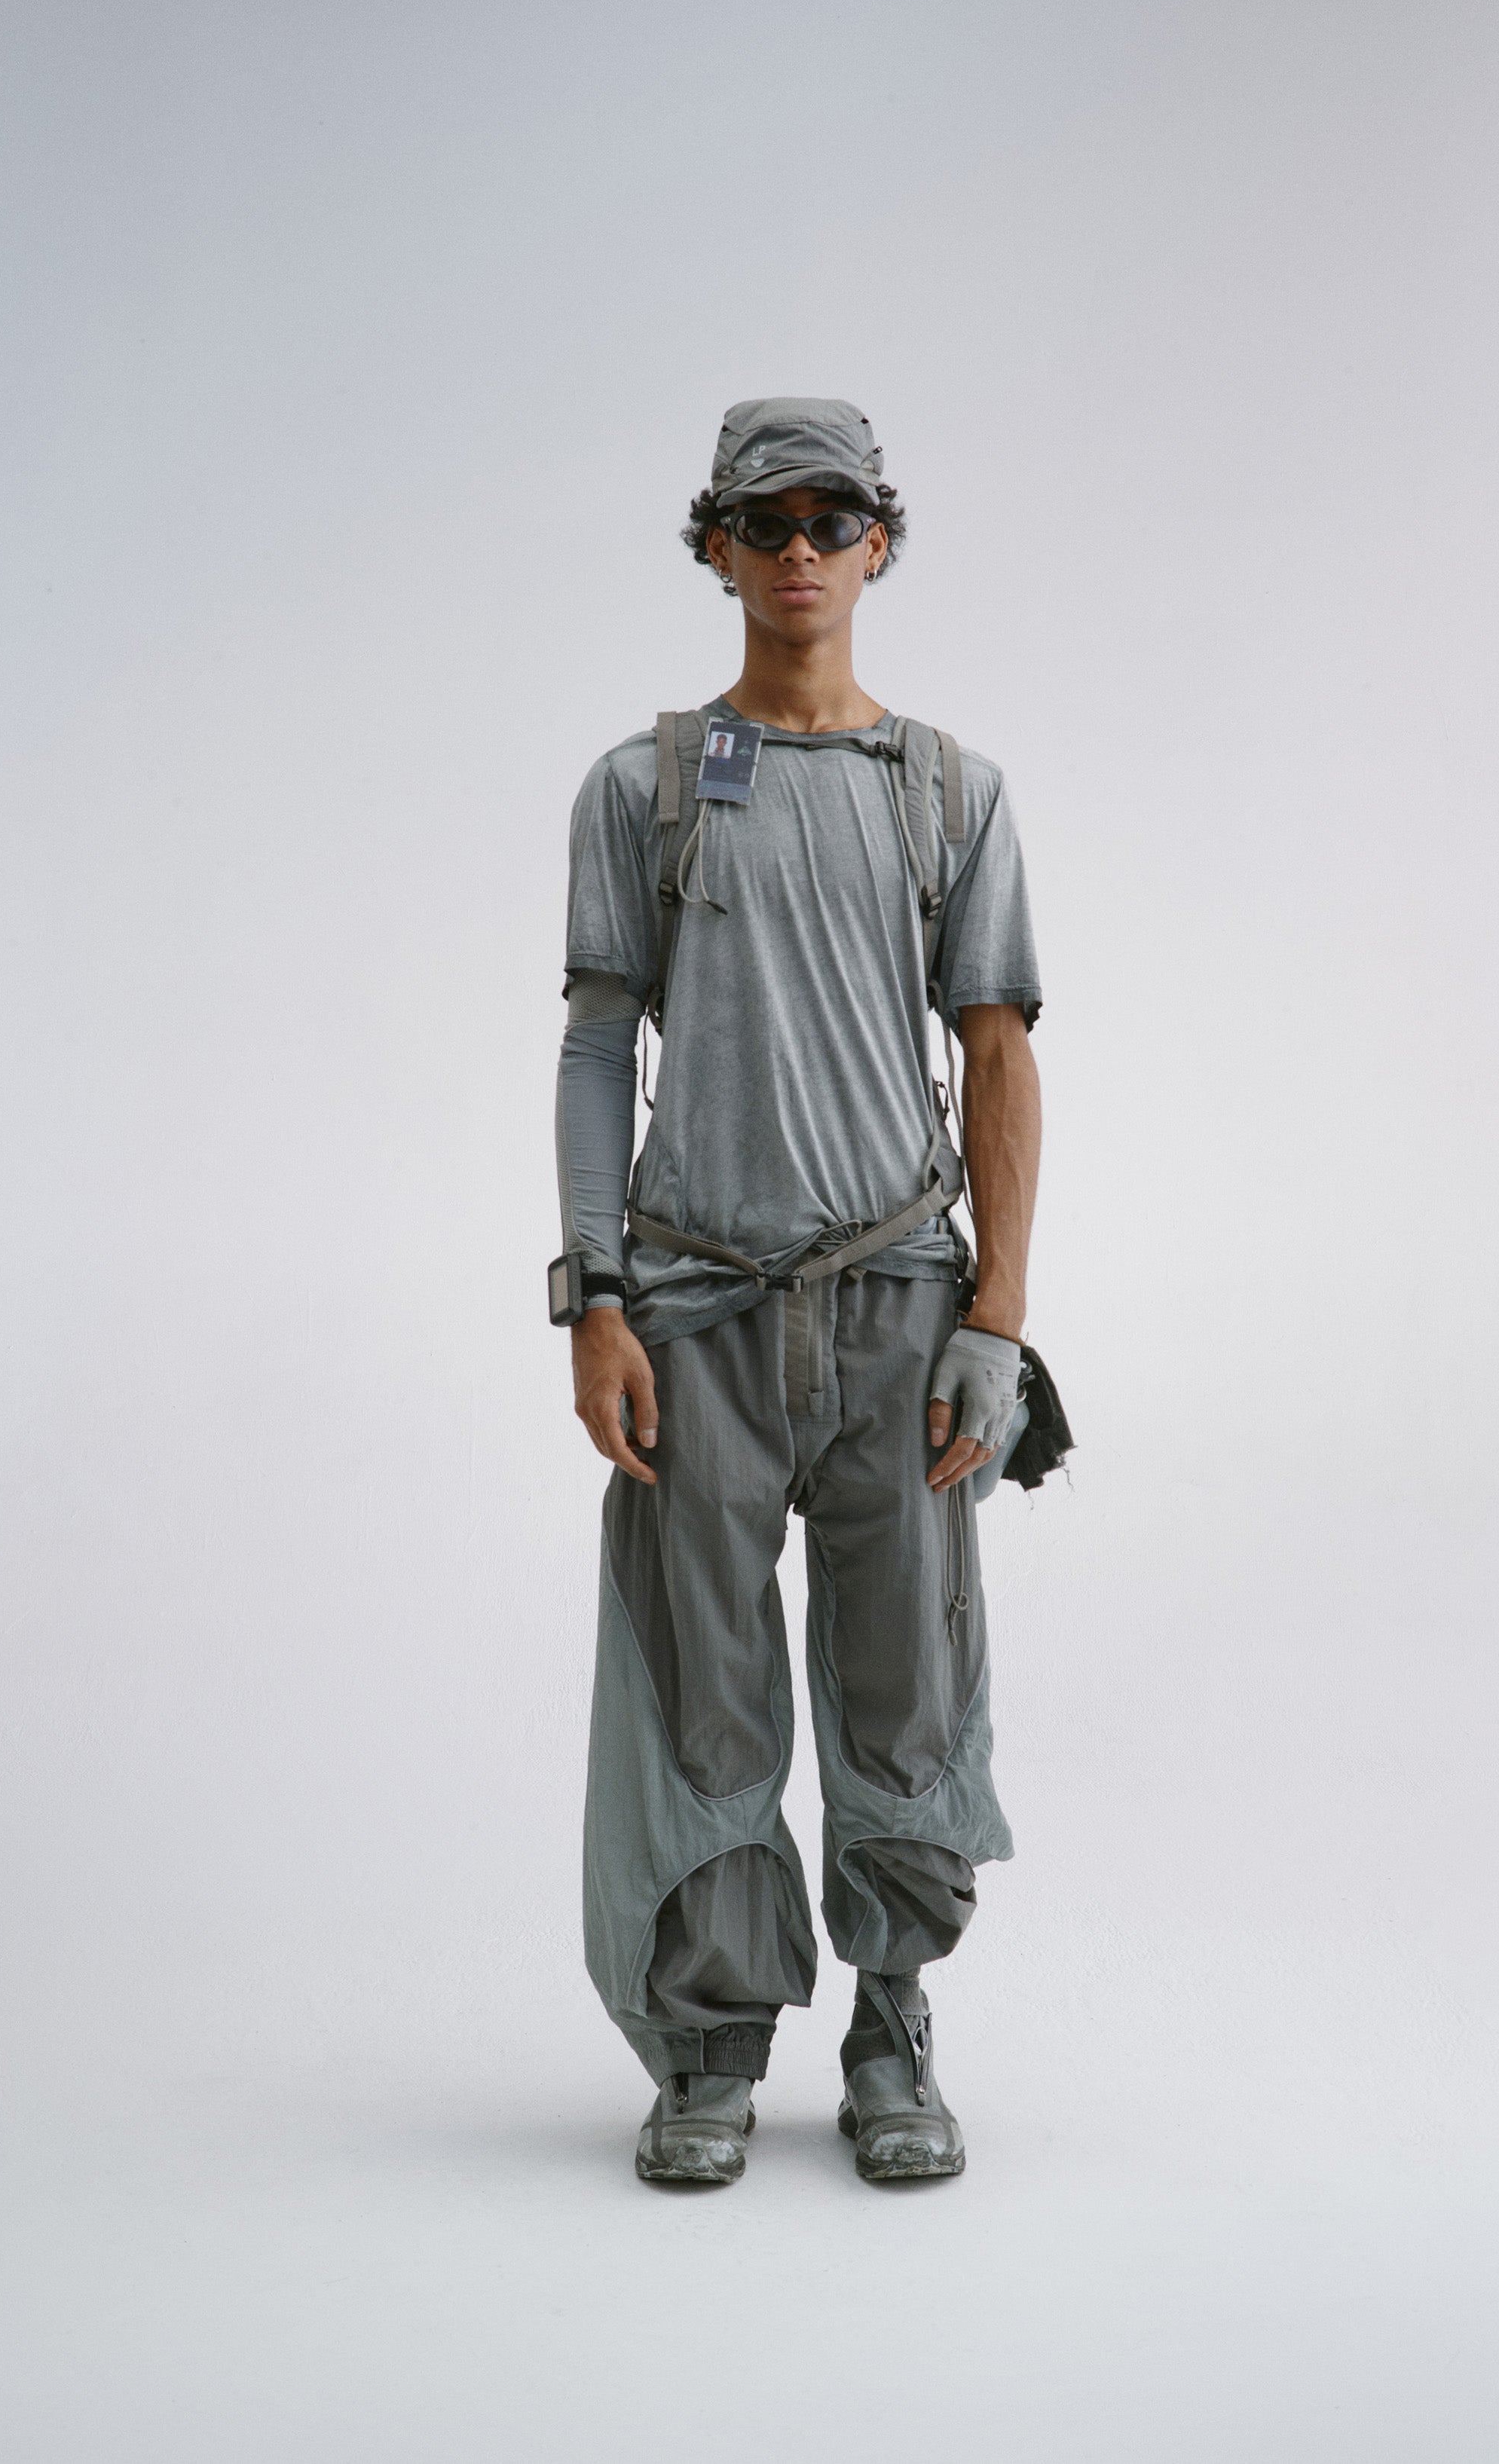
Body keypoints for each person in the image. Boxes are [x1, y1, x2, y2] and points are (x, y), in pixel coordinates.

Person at [551, 397, 1044, 2184]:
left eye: (832, 520)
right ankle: (709, 2042)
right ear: (714, 547)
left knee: (905, 1679)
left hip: (897, 1304)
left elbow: (995, 1055)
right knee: (706, 1686)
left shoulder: (946, 791)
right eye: (763, 523)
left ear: (877, 546)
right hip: (691, 1314)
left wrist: (995, 1327)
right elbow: (596, 1047)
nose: (798, 551)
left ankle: (892, 2022)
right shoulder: (644, 787)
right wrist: (594, 1299)